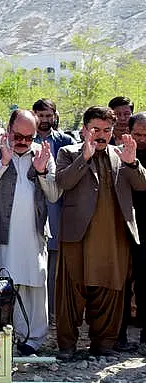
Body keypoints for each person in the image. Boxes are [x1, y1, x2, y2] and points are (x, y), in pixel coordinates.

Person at [55, 106, 146, 360]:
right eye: (96, 129)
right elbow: (62, 182)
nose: (101, 135)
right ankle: (67, 345)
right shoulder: (68, 152)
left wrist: (133, 162)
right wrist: (83, 158)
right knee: (71, 292)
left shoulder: (121, 155)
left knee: (110, 291)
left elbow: (142, 184)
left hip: (114, 237)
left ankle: (103, 344)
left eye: (107, 130)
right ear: (84, 130)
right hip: (77, 237)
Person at [0, 110, 59, 355]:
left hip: (32, 235)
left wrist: (42, 171)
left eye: (28, 137)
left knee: (32, 285)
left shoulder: (42, 153)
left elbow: (54, 195)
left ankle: (31, 340)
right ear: (9, 130)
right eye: (18, 135)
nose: (22, 141)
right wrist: (3, 163)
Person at [32, 99, 75, 324]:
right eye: (41, 115)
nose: (45, 120)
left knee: (56, 266)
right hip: (34, 209)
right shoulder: (27, 139)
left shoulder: (66, 142)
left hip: (59, 211)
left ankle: (54, 314)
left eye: (49, 116)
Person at [118, 112, 146, 354]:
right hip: (123, 225)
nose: (142, 139)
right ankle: (118, 335)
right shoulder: (118, 154)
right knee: (121, 282)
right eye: (137, 134)